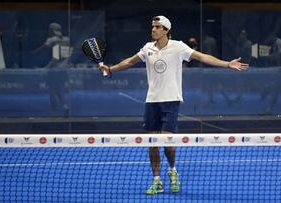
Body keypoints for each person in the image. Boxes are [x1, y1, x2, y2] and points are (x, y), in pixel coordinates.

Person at [99, 16, 248, 195]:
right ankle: (156, 180)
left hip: (171, 100)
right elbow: (130, 61)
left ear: (166, 30)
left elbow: (202, 56)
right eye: (152, 27)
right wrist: (110, 69)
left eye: (157, 27)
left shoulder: (178, 47)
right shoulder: (147, 48)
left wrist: (227, 64)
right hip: (152, 101)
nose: (153, 29)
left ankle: (172, 171)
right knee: (152, 144)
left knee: (168, 143)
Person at [31, 22, 72, 116]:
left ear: (52, 30)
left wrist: (33, 52)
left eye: (49, 29)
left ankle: (64, 106)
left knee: (56, 88)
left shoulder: (52, 40)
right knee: (54, 88)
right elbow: (67, 55)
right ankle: (54, 106)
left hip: (55, 68)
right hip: (64, 68)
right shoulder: (67, 39)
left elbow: (45, 49)